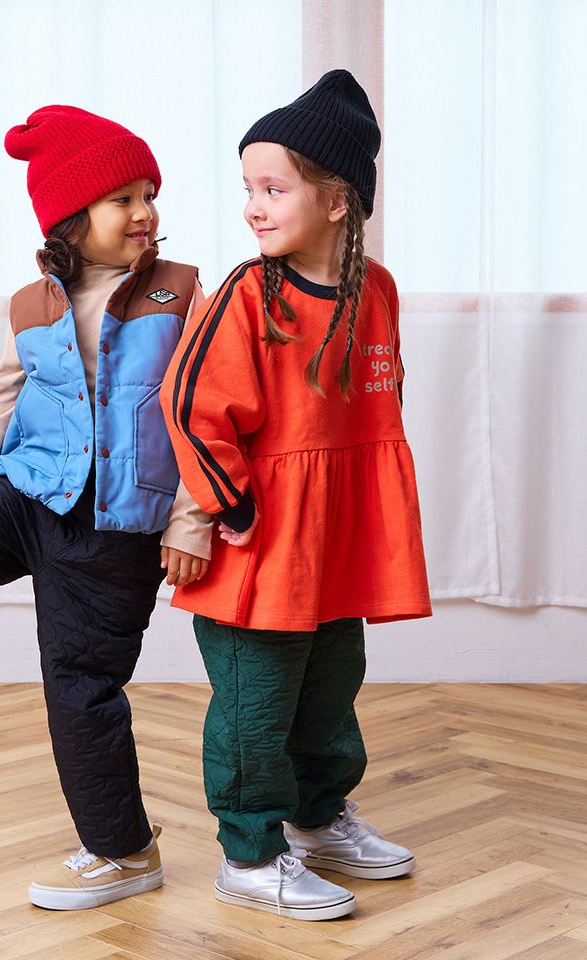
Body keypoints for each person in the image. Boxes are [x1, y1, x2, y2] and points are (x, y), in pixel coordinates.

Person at [0, 105, 212, 910]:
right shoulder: (30, 305)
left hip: (112, 530)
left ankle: (123, 853)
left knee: (78, 688)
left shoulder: (182, 295)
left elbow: (204, 414)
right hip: (31, 489)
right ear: (71, 218)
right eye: (123, 199)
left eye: (149, 195)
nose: (145, 213)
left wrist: (190, 521)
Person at [161, 70, 431, 921]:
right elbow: (190, 404)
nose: (253, 207)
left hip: (338, 540)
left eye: (273, 189)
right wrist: (226, 508)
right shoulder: (248, 296)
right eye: (248, 189)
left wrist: (368, 513)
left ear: (338, 200)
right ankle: (249, 853)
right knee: (258, 701)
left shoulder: (376, 290)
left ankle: (319, 819)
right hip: (264, 544)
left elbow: (379, 405)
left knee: (332, 685)